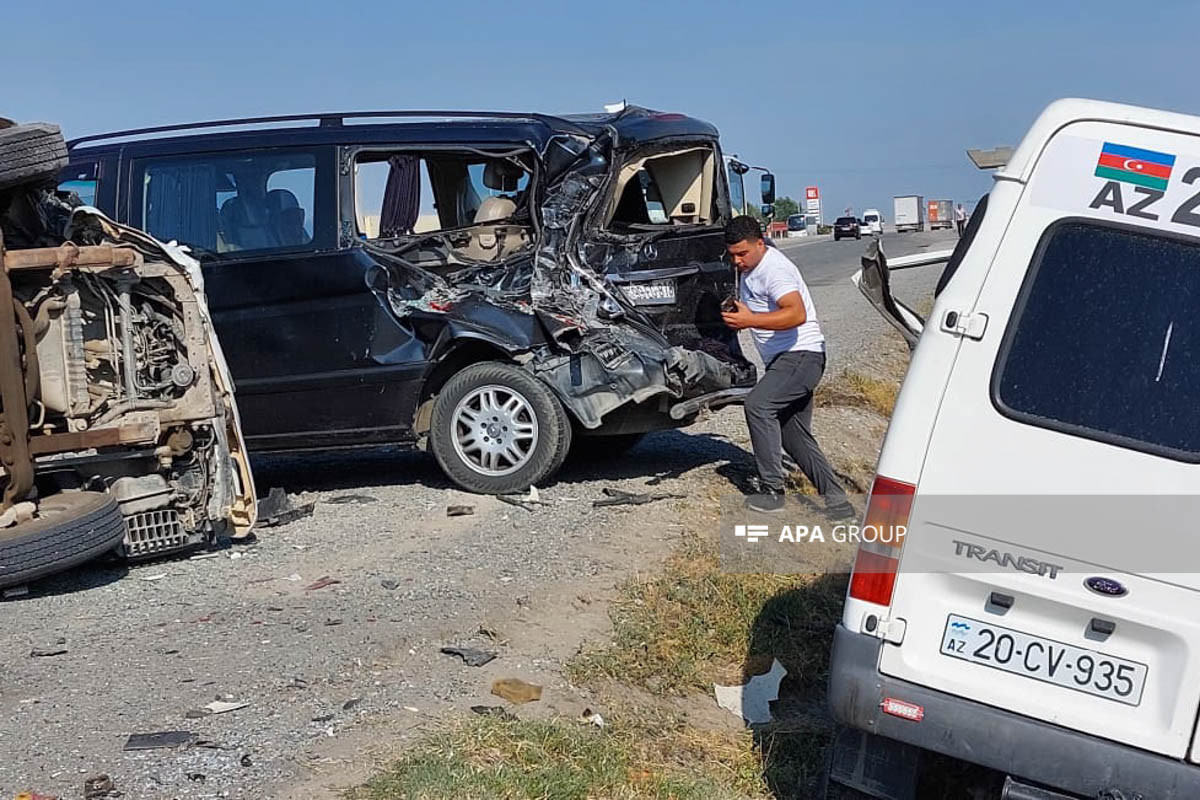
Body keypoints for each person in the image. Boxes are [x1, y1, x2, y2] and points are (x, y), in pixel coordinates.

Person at [721, 216, 852, 516]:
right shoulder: (753, 269)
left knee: (757, 405)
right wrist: (742, 315)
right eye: (732, 255)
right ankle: (838, 502)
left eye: (742, 253)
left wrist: (750, 320)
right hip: (789, 360)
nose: (737, 260)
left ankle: (772, 491)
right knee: (794, 436)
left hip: (800, 356)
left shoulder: (774, 269)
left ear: (760, 243)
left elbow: (796, 314)